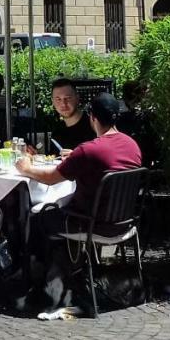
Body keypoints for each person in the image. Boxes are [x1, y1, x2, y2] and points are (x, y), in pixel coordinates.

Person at [14, 92, 141, 312]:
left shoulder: (89, 149)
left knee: (35, 218)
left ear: (92, 117)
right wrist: (76, 156)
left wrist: (25, 168)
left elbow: (50, 179)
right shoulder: (132, 145)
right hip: (125, 222)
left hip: (87, 222)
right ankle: (67, 273)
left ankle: (38, 286)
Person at [50, 78, 96, 154]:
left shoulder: (93, 125)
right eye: (58, 99)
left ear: (77, 98)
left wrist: (77, 157)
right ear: (53, 102)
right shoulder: (57, 132)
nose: (63, 104)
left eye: (67, 98)